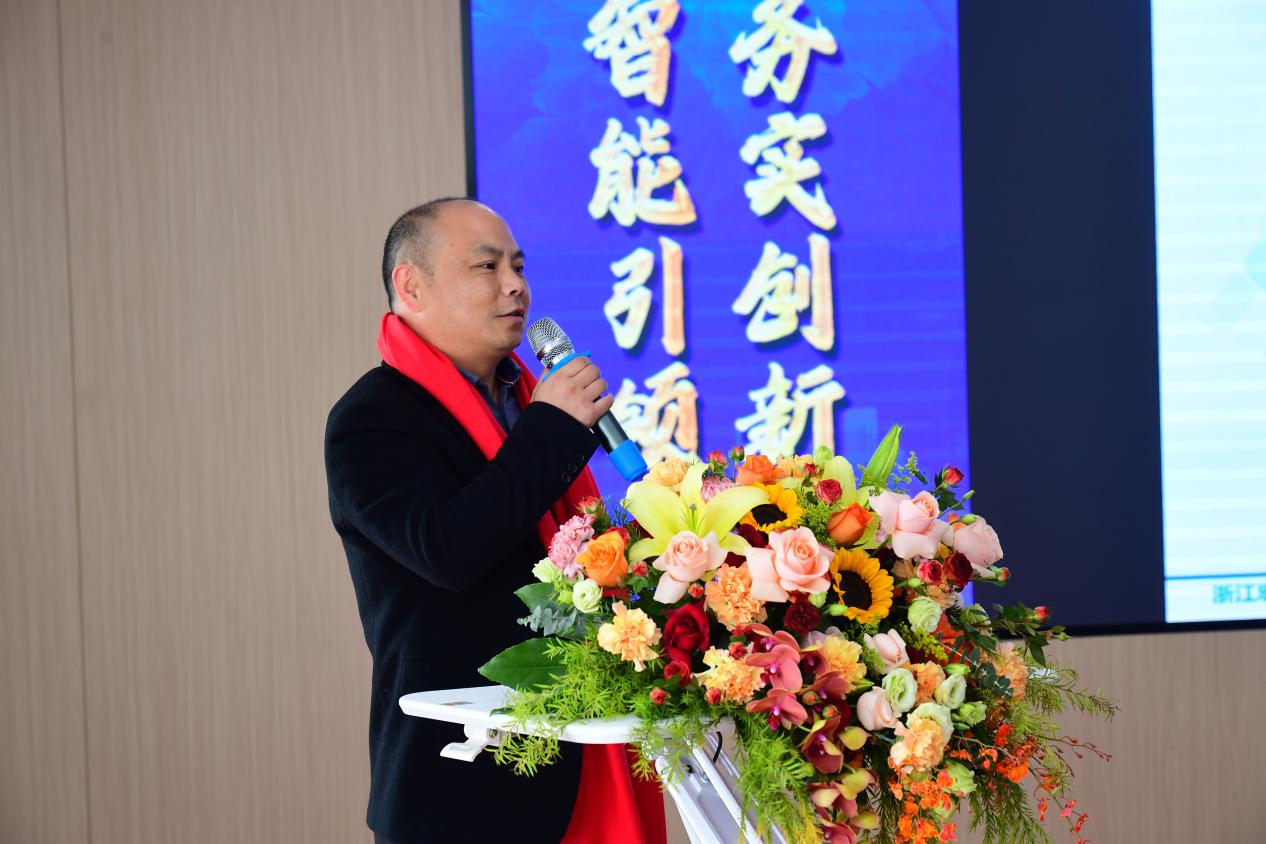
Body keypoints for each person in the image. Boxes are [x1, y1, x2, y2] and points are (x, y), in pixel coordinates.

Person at [324, 198, 615, 843]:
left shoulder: (524, 399)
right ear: (411, 286)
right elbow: (447, 550)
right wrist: (551, 428)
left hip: (575, 752)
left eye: (519, 266)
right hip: (458, 782)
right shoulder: (372, 418)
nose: (515, 286)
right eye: (487, 267)